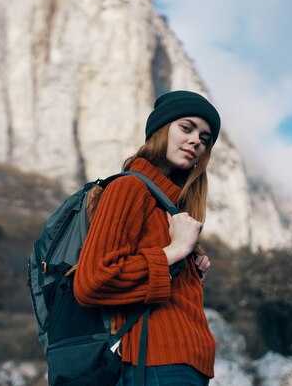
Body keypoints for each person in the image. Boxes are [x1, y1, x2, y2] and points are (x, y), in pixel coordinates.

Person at [73, 90, 219, 386]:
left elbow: (154, 283)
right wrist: (175, 251)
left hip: (187, 363)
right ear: (160, 130)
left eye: (205, 138)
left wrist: (188, 271)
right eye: (186, 128)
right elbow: (92, 281)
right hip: (154, 364)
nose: (195, 141)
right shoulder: (129, 188)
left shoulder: (173, 204)